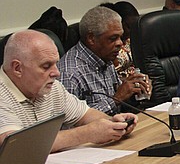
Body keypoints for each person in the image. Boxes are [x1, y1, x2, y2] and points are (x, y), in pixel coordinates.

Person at [0, 30, 137, 153]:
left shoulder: (52, 87)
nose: (56, 73)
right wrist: (86, 134)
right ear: (17, 68)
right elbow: (16, 147)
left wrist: (114, 123)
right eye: (46, 66)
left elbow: (85, 114)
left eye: (55, 64)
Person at [57, 6, 151, 115]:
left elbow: (122, 102)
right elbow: (70, 122)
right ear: (91, 38)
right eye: (113, 38)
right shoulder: (70, 73)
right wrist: (116, 99)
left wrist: (136, 91)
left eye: (120, 37)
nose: (120, 43)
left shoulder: (105, 57)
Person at [100, 1, 140, 80]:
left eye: (134, 26)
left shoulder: (131, 40)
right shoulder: (109, 45)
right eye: (128, 26)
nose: (131, 31)